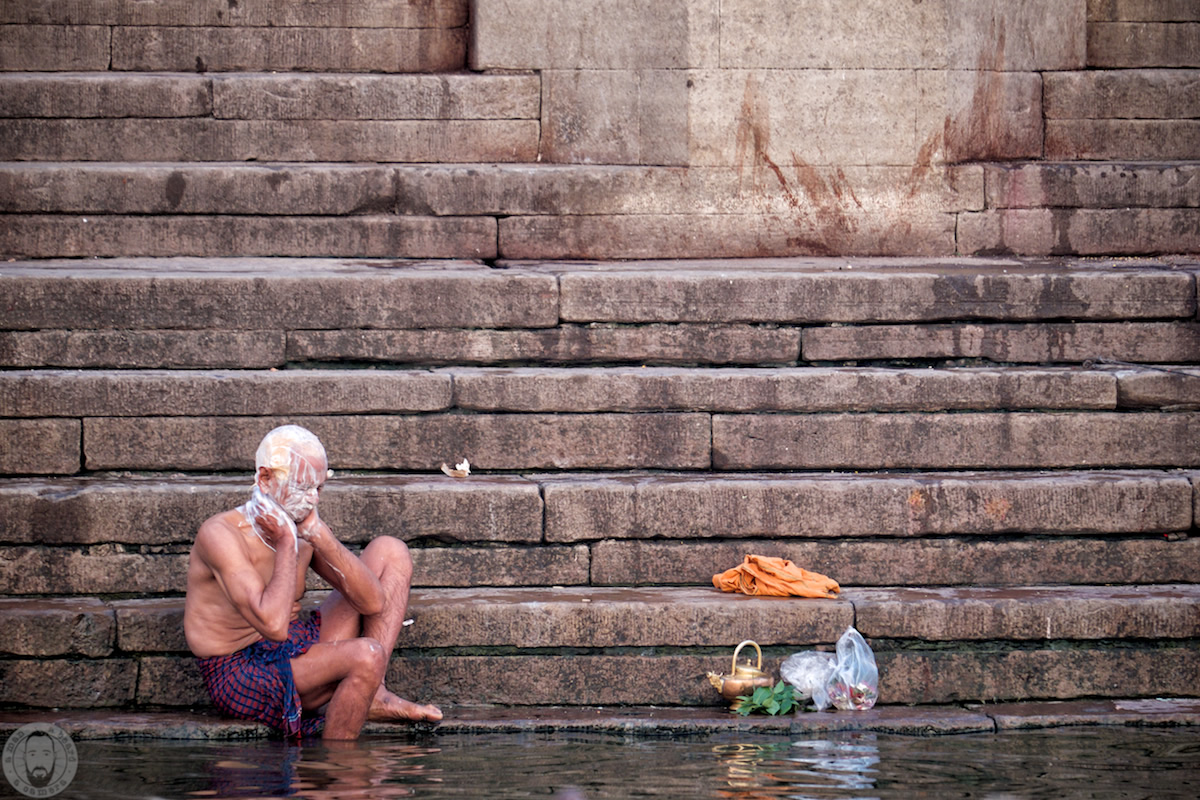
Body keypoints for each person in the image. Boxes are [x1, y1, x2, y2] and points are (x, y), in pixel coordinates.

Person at [184, 424, 442, 740]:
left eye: (318, 488)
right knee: (367, 655)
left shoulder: (301, 523)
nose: (312, 500)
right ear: (265, 479)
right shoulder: (221, 535)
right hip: (242, 671)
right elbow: (274, 626)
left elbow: (373, 603)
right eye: (302, 488)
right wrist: (285, 543)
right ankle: (335, 770)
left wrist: (318, 534)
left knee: (391, 552)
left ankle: (373, 692)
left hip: (293, 647)